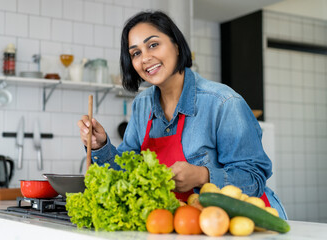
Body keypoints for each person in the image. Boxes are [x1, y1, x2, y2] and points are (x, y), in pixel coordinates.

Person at [77, 11, 287, 219]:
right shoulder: (142, 104)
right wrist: (100, 146)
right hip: (187, 224)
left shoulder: (222, 102)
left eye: (153, 45)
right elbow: (126, 175)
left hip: (244, 222)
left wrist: (203, 176)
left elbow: (254, 177)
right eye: (136, 53)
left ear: (177, 45)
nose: (146, 58)